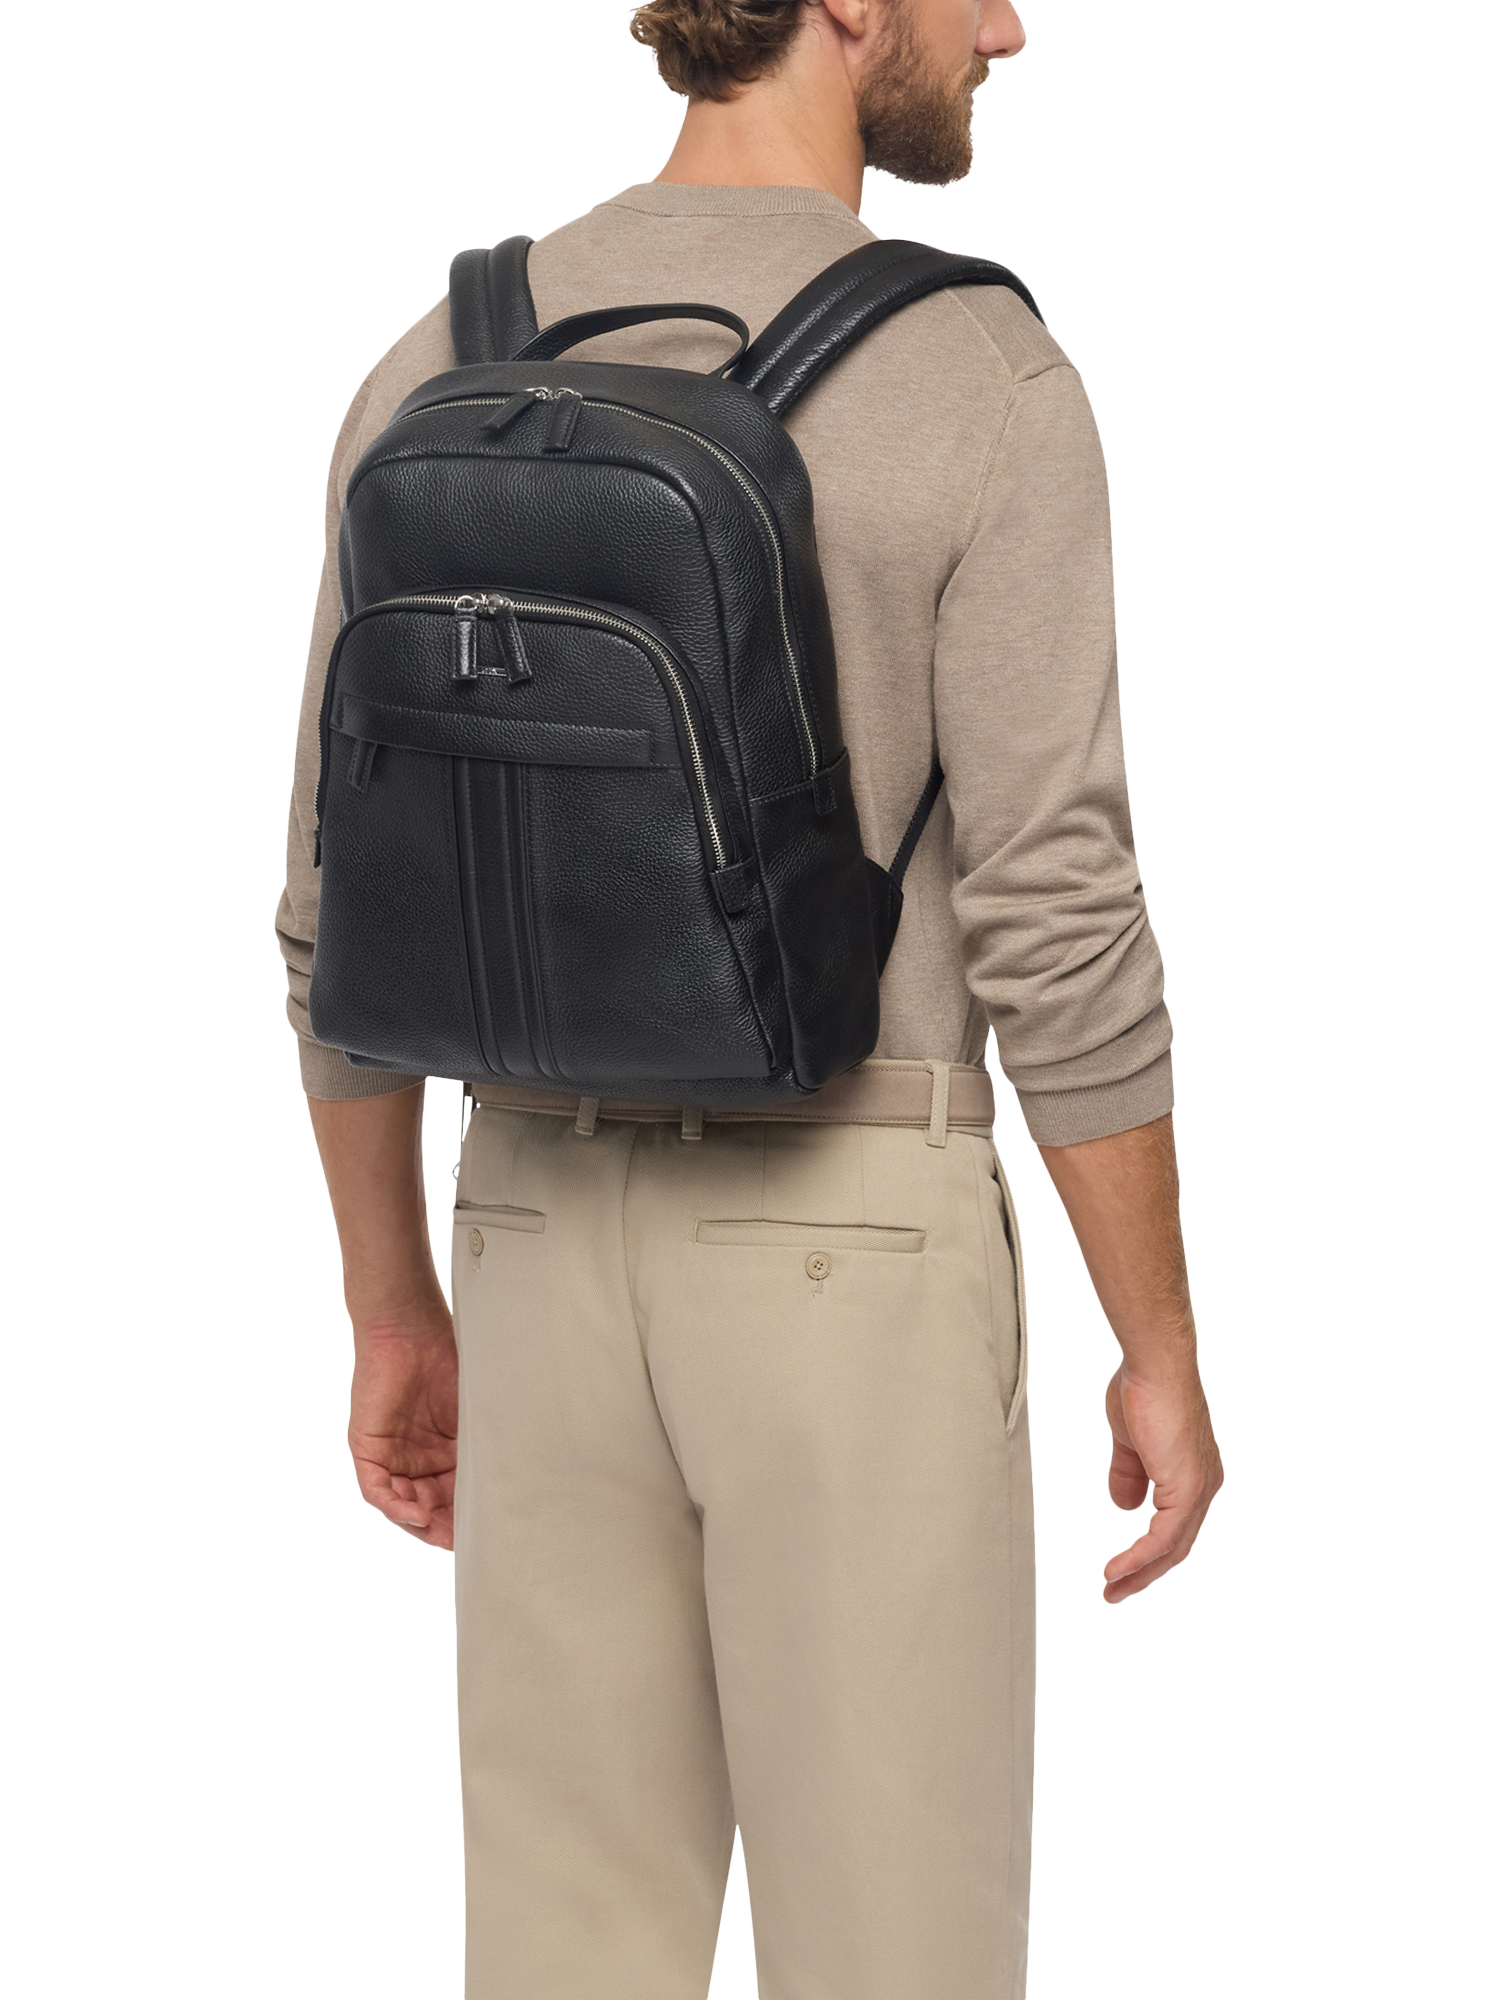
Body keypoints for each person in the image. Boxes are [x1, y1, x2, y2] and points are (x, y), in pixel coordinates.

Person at [276, 2, 1224, 1992]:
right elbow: (1057, 917)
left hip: (529, 1227)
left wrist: (393, 1303)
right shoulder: (978, 376)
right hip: (849, 1247)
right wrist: (1157, 1341)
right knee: (894, 1956)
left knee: (565, 1957)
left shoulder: (438, 359)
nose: (1008, 27)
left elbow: (332, 910)